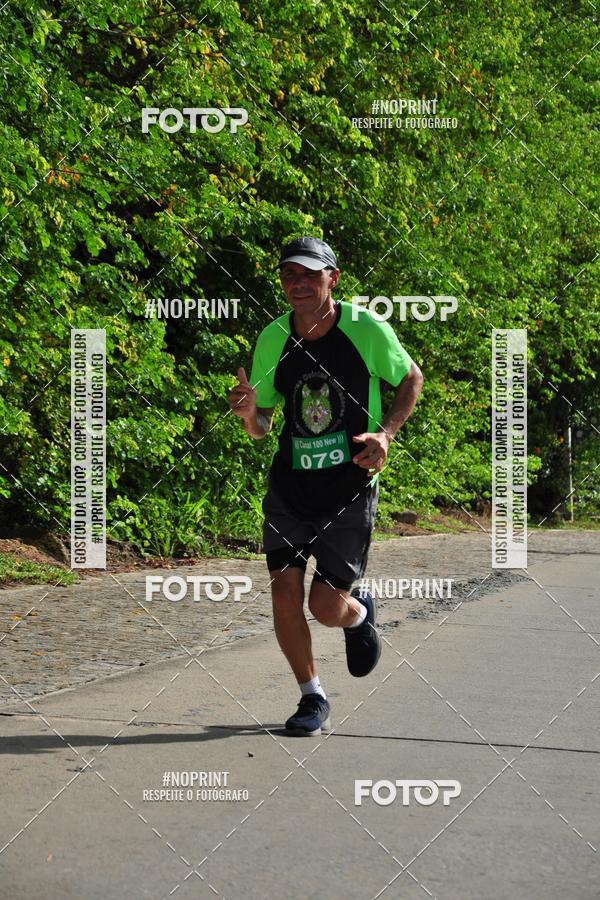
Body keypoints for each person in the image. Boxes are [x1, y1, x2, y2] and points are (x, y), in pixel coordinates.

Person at [229, 236, 423, 736]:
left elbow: (411, 378)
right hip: (290, 489)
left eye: (310, 274)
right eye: (289, 275)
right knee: (284, 593)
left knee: (324, 606)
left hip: (348, 488)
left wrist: (387, 433)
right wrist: (251, 415)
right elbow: (263, 424)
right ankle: (311, 696)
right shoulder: (273, 337)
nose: (298, 283)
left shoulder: (366, 329)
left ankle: (357, 616)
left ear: (332, 278)